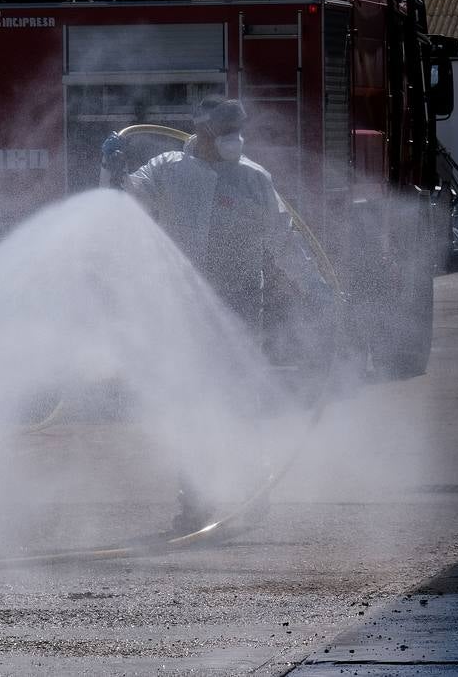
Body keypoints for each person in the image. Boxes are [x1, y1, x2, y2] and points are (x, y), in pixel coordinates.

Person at [101, 99, 335, 535]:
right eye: (224, 130)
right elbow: (126, 199)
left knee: (241, 400)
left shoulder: (254, 179)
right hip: (184, 306)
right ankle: (196, 504)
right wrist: (113, 171)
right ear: (203, 130)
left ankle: (253, 492)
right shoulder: (168, 168)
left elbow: (283, 243)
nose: (234, 138)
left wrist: (319, 292)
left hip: (241, 305)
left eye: (237, 129)